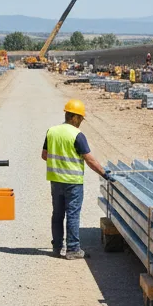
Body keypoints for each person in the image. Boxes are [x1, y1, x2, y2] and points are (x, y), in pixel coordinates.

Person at [42, 99, 107, 259]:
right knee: (72, 214)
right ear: (75, 117)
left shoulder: (52, 131)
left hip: (56, 180)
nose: (81, 123)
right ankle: (73, 249)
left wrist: (59, 162)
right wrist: (104, 174)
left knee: (57, 214)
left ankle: (57, 247)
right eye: (81, 119)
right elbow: (89, 160)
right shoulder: (77, 135)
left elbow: (44, 155)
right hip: (73, 183)